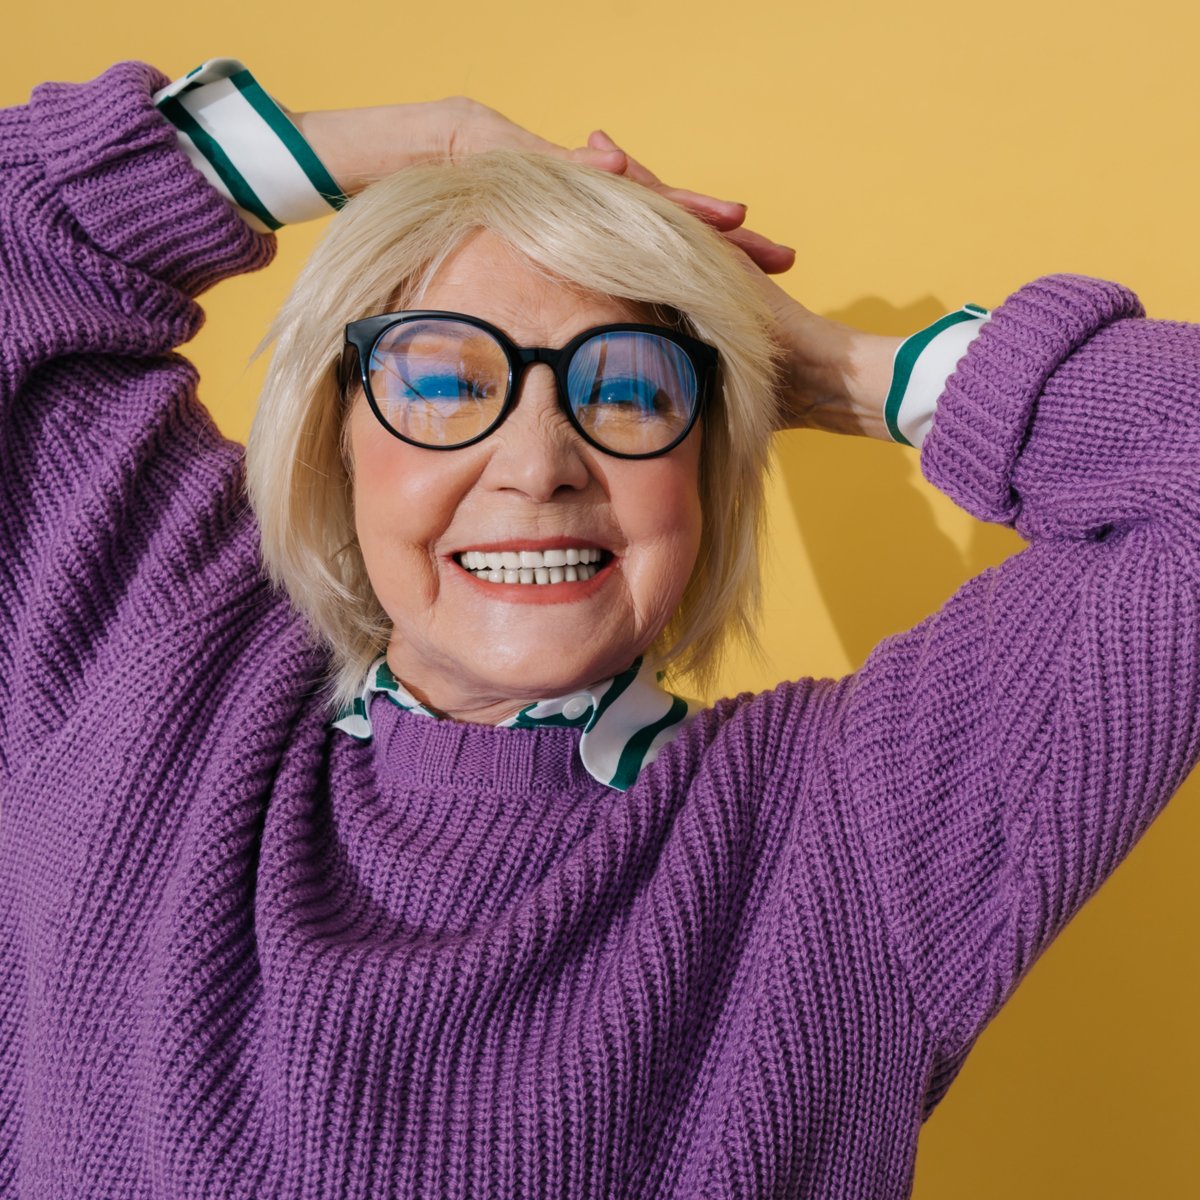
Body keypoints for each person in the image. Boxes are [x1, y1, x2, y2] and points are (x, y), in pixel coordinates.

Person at [0, 57, 1196, 1200]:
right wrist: (427, 144)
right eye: (444, 381)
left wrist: (839, 368)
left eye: (627, 389)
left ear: (708, 464)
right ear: (334, 438)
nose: (537, 465)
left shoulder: (849, 831)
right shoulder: (153, 665)